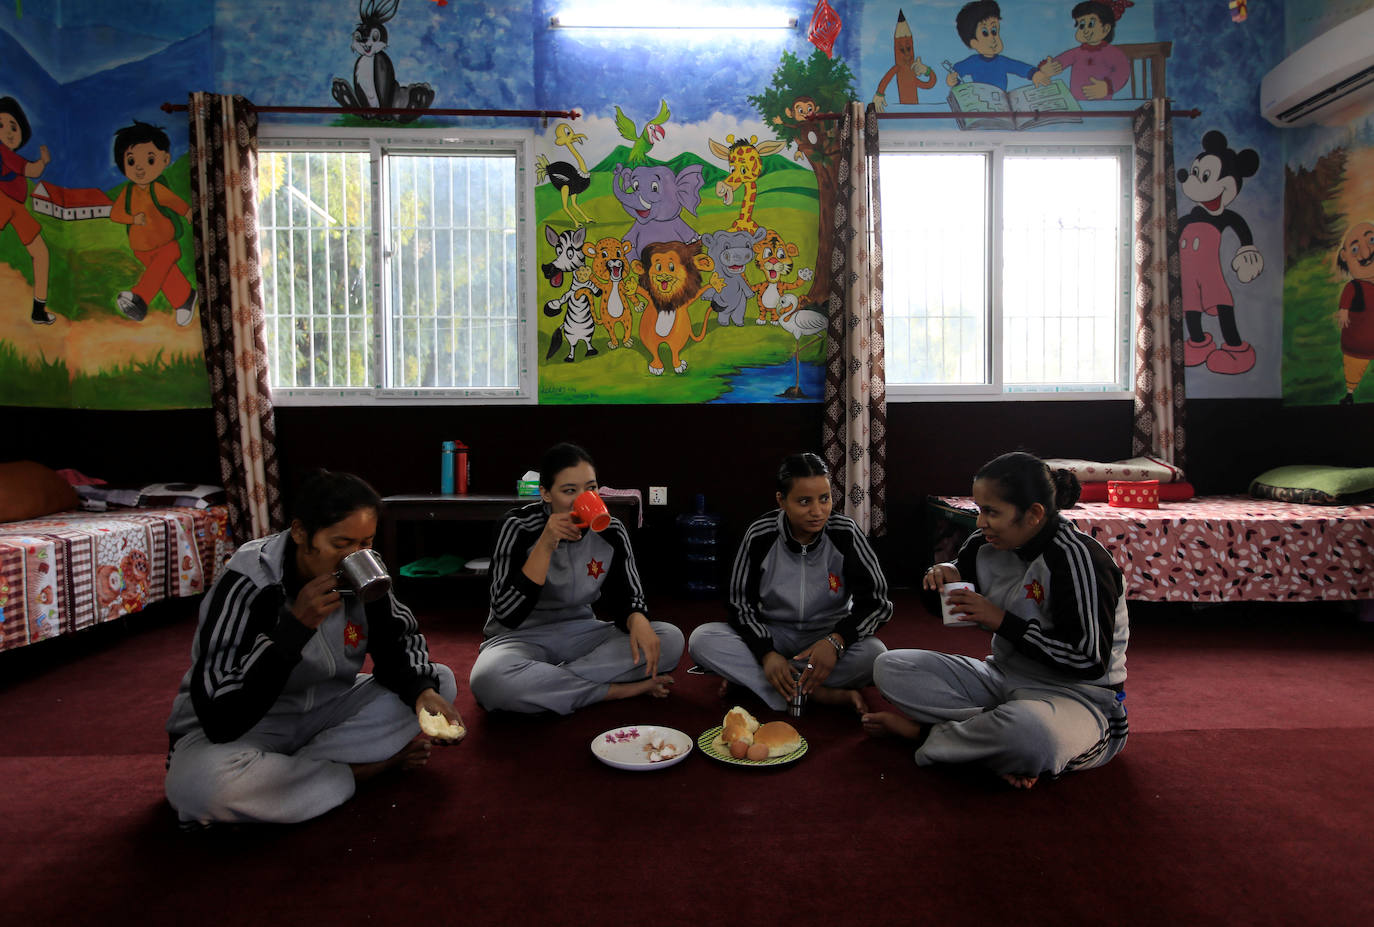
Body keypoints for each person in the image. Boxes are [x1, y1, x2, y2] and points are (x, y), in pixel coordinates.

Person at [164, 470, 463, 827]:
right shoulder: (252, 581)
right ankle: (359, 771)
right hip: (246, 728)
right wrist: (294, 628)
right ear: (300, 532)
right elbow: (219, 718)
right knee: (201, 789)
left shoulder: (365, 570)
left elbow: (397, 641)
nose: (354, 556)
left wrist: (422, 692)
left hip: (323, 709)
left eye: (366, 542)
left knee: (438, 682)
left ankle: (297, 777)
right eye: (340, 544)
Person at [863, 451, 1129, 789]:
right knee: (890, 667)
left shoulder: (1080, 559)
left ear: (1034, 514)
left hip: (1077, 697)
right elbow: (951, 610)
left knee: (1031, 736)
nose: (980, 522)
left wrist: (1003, 622)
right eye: (979, 509)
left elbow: (1088, 660)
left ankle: (929, 734)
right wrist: (940, 578)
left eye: (991, 512)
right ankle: (988, 739)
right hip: (1001, 678)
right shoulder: (984, 544)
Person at [469, 442, 682, 714]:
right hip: (518, 637)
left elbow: (629, 597)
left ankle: (547, 684)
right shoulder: (517, 526)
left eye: (591, 488)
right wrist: (546, 543)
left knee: (669, 639)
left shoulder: (612, 530)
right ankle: (615, 691)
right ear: (545, 493)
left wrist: (637, 618)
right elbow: (506, 614)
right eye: (570, 491)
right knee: (488, 679)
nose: (583, 498)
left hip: (581, 632)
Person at [688, 452, 892, 714]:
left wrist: (836, 641)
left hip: (826, 636)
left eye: (824, 498)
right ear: (781, 501)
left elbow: (878, 604)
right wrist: (766, 653)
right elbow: (738, 603)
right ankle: (814, 691)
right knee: (702, 640)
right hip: (774, 634)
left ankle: (762, 682)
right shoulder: (760, 534)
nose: (817, 511)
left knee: (875, 654)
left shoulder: (846, 533)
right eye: (804, 501)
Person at [109, 120, 197, 326]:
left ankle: (140, 299)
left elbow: (175, 203)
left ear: (165, 159)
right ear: (123, 164)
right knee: (164, 275)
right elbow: (115, 214)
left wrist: (188, 213)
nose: (140, 168)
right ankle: (185, 299)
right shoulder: (127, 192)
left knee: (158, 271)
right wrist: (132, 219)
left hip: (166, 244)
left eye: (149, 160)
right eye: (131, 161)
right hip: (141, 249)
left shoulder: (157, 189)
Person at [0, 95, 54, 324]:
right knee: (40, 253)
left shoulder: (10, 155)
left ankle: (39, 310)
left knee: (41, 253)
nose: (9, 132)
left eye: (14, 126)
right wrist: (43, 162)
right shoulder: (3, 151)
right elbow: (32, 171)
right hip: (3, 201)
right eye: (1, 126)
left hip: (16, 207)